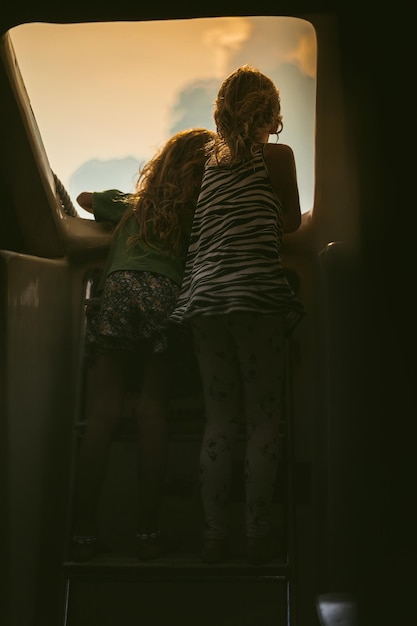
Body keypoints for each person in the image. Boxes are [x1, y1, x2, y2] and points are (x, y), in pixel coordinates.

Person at [170, 66, 305, 565]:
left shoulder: (209, 166)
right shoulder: (278, 157)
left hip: (204, 298)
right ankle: (257, 535)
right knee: (264, 416)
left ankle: (211, 537)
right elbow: (290, 221)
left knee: (220, 419)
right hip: (253, 295)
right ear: (269, 112)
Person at [70, 127, 217, 562]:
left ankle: (81, 535)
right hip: (163, 294)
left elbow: (83, 200)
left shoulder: (134, 205)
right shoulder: (196, 214)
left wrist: (123, 209)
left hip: (116, 290)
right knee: (153, 410)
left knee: (102, 413)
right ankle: (148, 535)